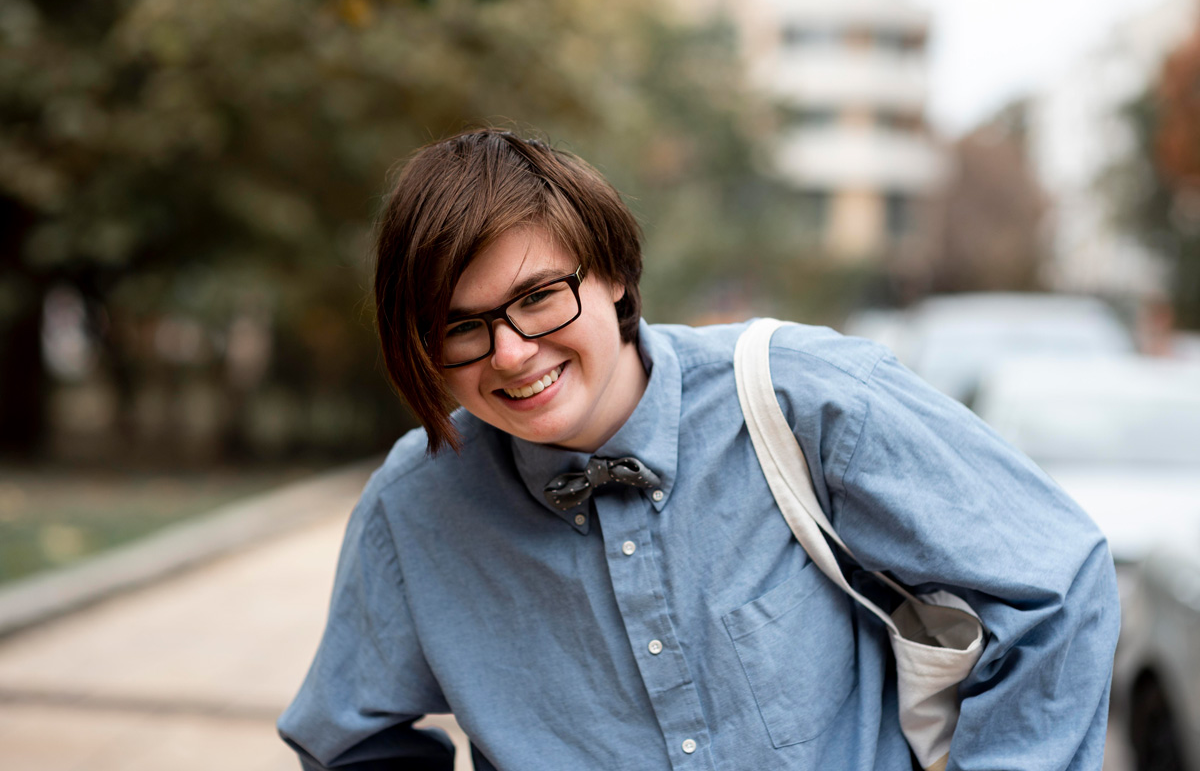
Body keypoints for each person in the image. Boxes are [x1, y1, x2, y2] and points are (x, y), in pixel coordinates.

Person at [278, 128, 1120, 771]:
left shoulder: (805, 398)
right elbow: (349, 735)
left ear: (611, 273)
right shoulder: (416, 502)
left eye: (539, 297)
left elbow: (1057, 581)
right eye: (462, 326)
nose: (510, 352)